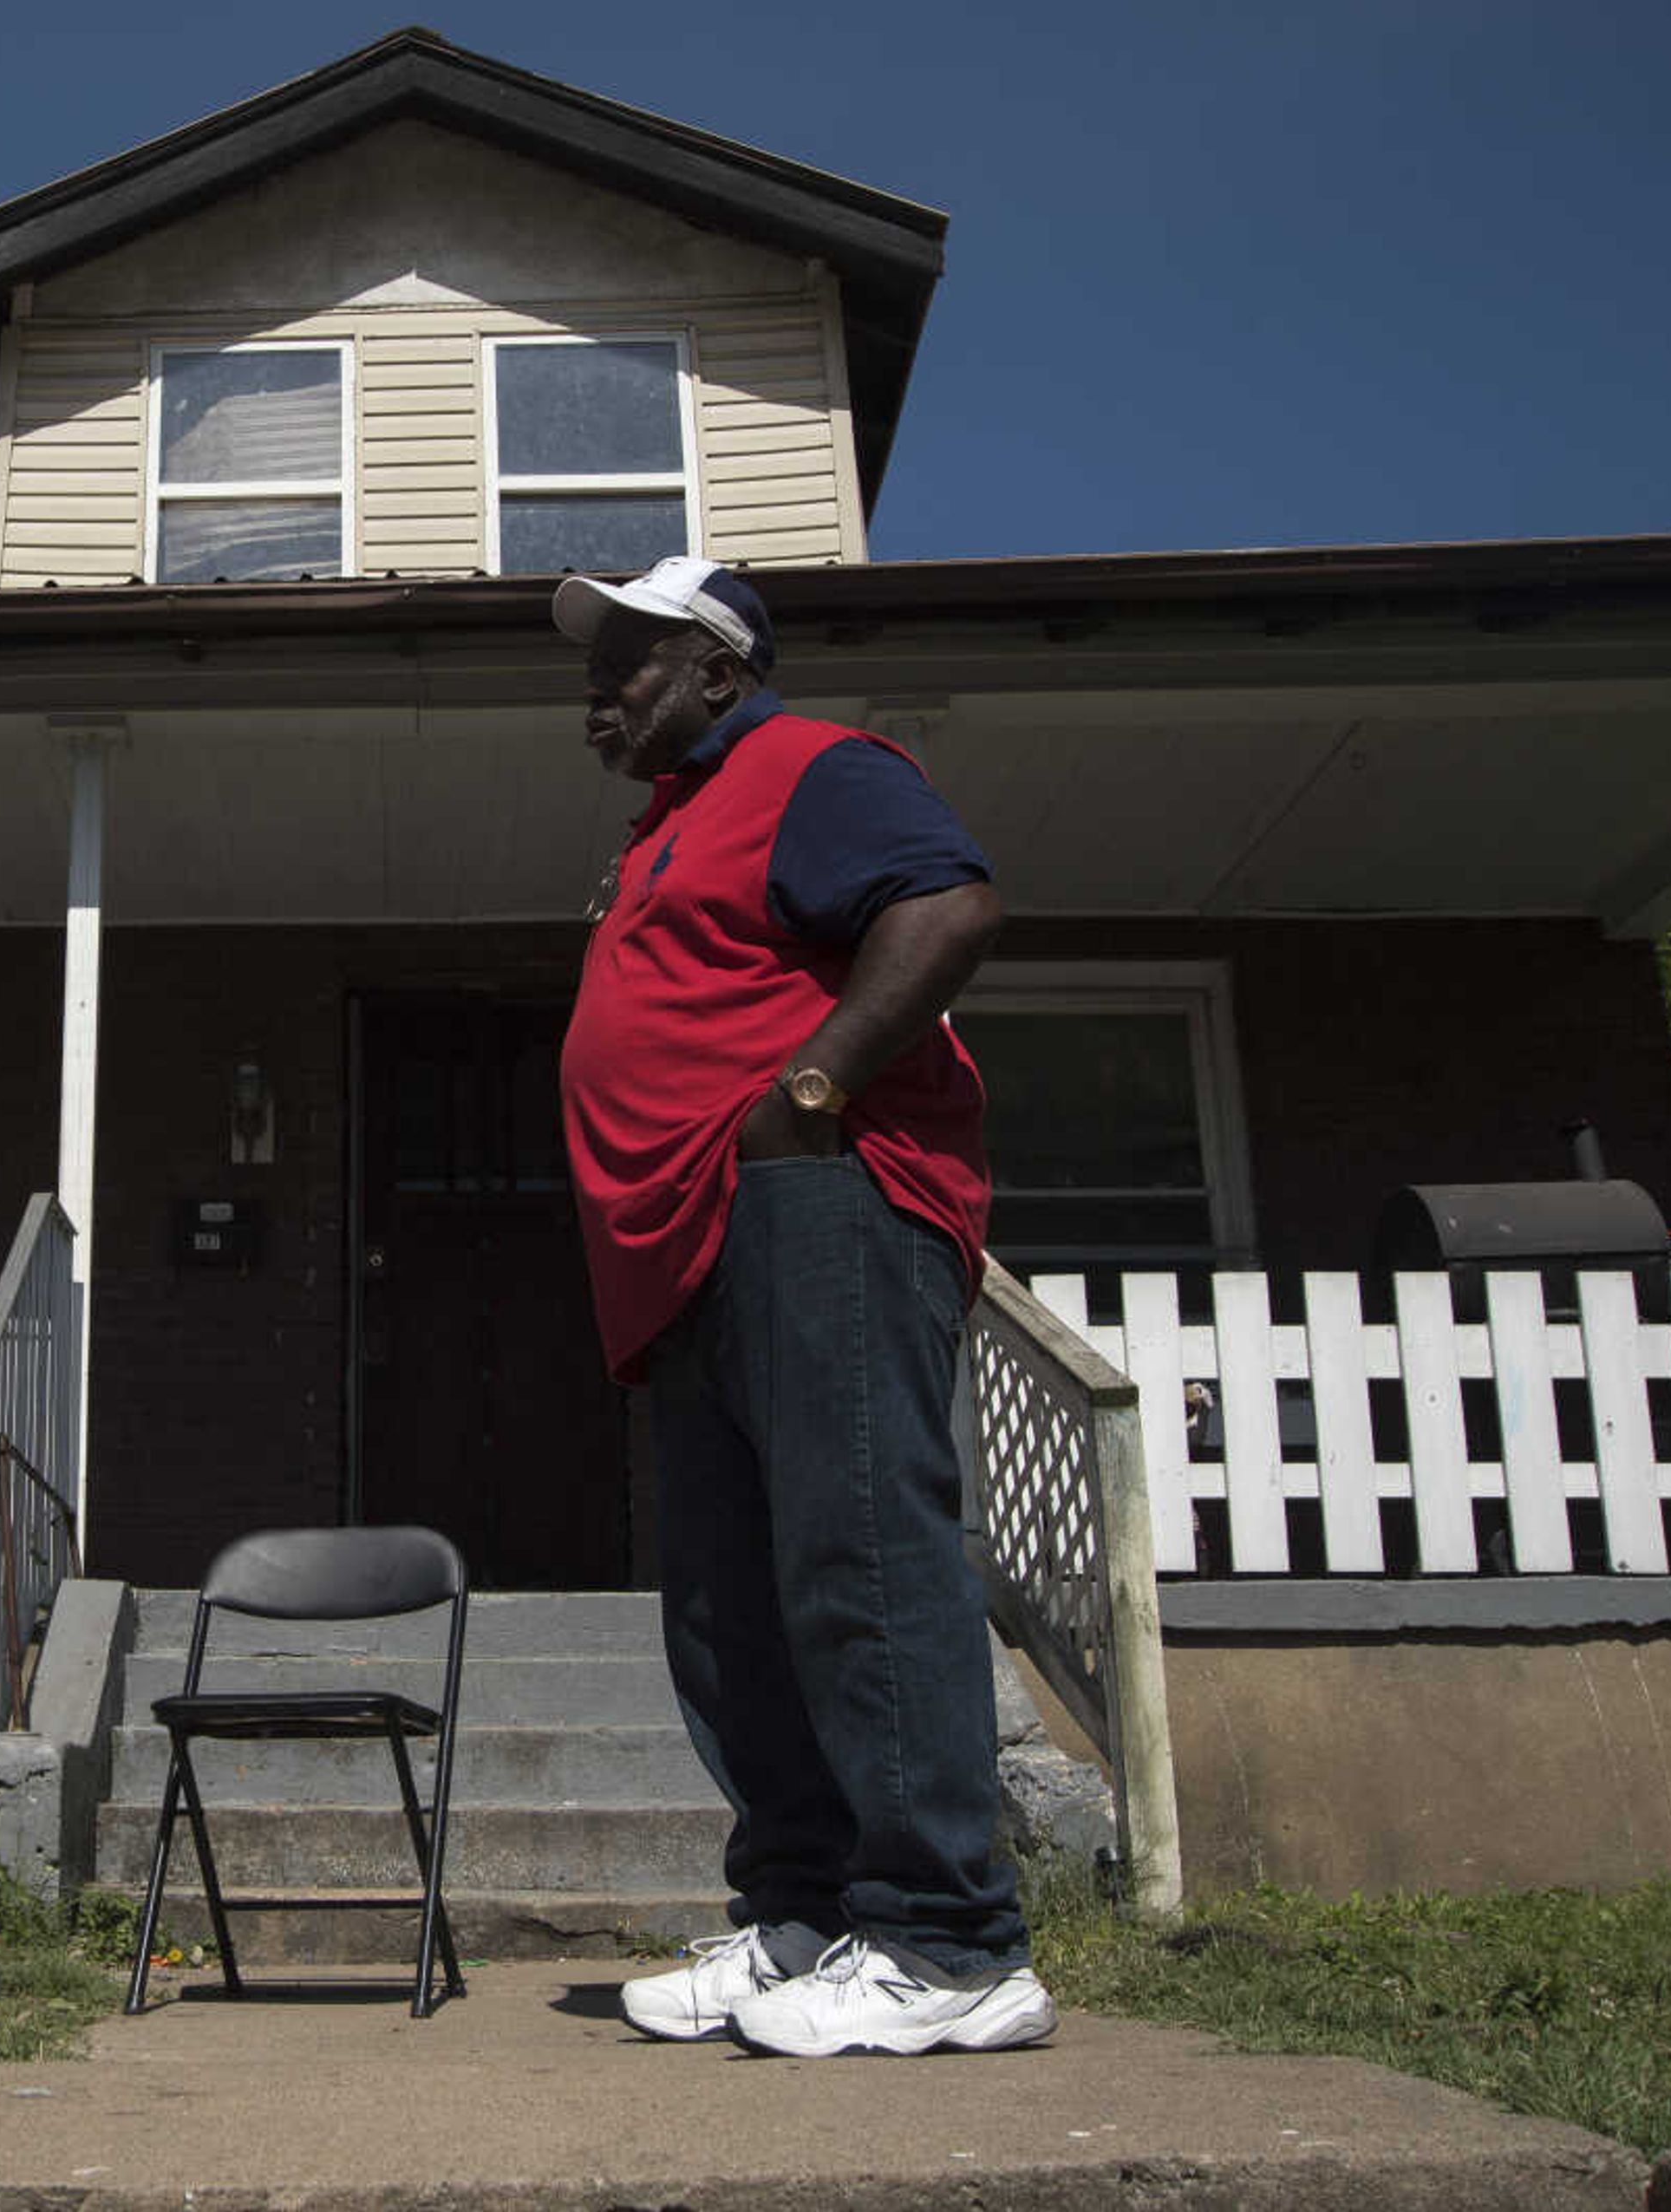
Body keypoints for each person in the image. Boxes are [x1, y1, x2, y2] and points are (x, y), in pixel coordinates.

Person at [552, 554, 1052, 2058]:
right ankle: (808, 1916)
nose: (599, 691)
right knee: (728, 1608)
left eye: (632, 660)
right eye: (596, 667)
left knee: (860, 1562)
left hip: (817, 1208)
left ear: (721, 669)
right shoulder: (671, 825)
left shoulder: (810, 767)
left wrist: (811, 1089)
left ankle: (951, 1940)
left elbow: (951, 908)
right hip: (693, 1252)